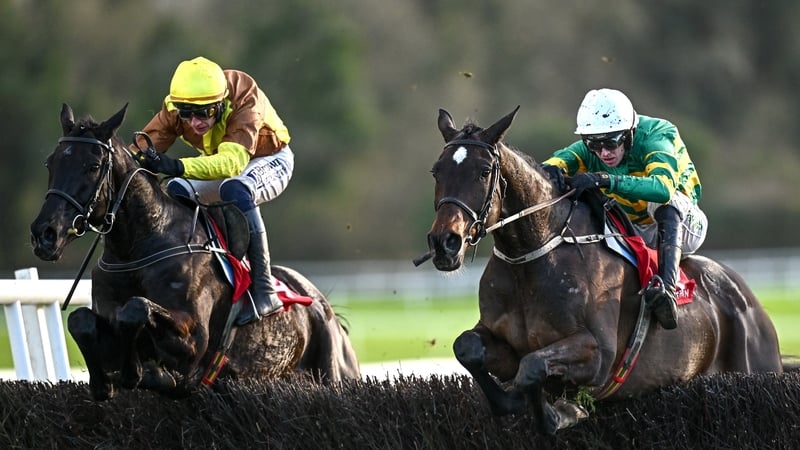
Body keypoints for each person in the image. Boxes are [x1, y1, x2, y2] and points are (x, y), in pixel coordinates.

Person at [132, 56, 293, 326]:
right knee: (176, 189)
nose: (194, 122)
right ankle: (203, 266)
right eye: (186, 114)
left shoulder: (243, 96)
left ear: (220, 104)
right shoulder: (174, 108)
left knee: (236, 188)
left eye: (203, 113)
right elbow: (137, 153)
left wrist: (176, 165)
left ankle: (264, 290)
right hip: (223, 164)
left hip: (269, 159)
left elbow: (232, 164)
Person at [540, 88, 708, 330]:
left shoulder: (657, 135)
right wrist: (551, 171)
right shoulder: (590, 149)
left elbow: (662, 188)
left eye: (611, 143)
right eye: (594, 144)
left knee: (665, 201)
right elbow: (546, 167)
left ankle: (667, 291)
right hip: (629, 229)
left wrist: (605, 179)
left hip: (683, 225)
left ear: (629, 134)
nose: (603, 152)